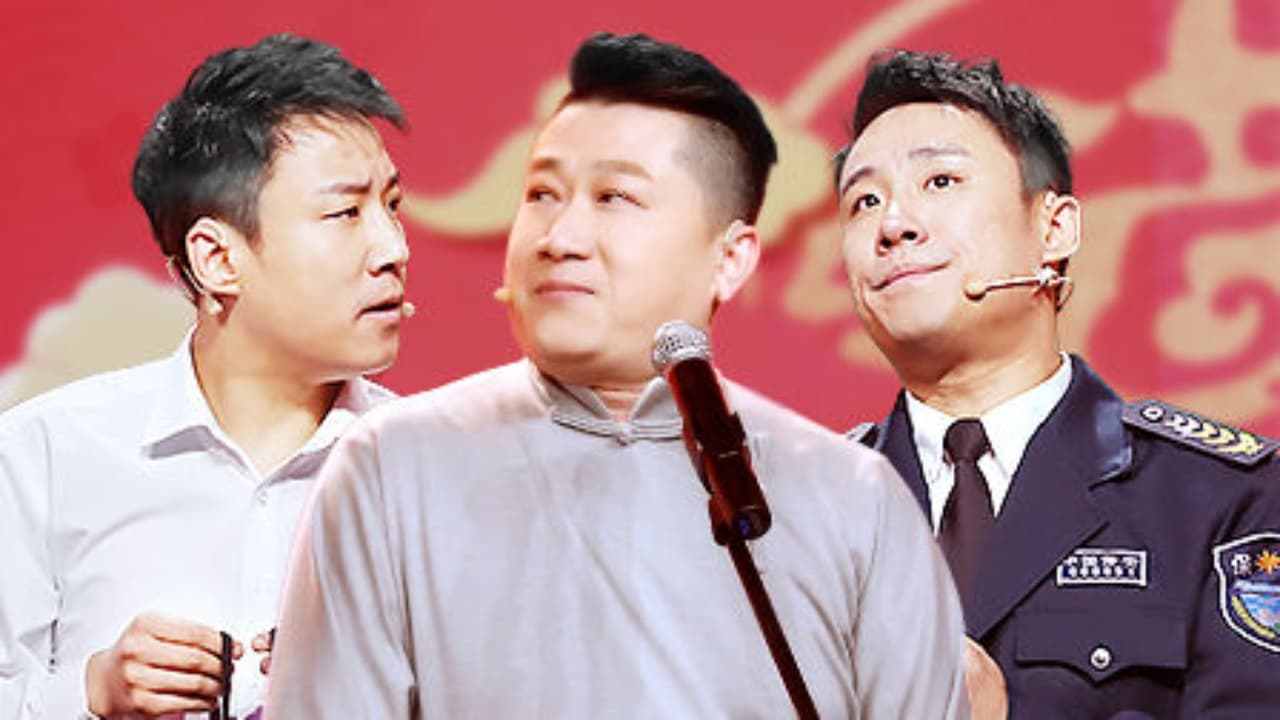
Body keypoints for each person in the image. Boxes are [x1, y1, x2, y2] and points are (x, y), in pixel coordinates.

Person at [265, 32, 967, 718]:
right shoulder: (391, 468)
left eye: (614, 198)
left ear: (730, 258)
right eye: (542, 194)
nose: (559, 238)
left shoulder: (854, 501)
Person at [835, 49, 1280, 718]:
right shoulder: (800, 517)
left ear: (1054, 227)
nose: (893, 225)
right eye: (864, 201)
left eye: (941, 181)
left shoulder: (1220, 498)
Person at [0, 33, 410, 718]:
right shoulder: (42, 457)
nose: (393, 248)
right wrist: (92, 692)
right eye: (346, 213)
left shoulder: (427, 466)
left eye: (392, 206)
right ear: (217, 259)